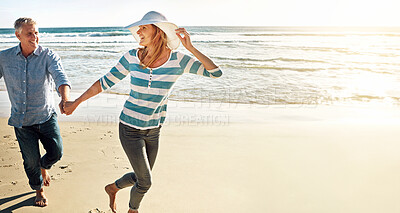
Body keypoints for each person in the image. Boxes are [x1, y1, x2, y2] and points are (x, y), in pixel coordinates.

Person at [63, 11, 222, 213]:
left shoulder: (178, 61)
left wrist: (190, 48)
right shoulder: (132, 57)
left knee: (141, 178)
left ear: (158, 31)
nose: (138, 31)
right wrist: (76, 102)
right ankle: (133, 210)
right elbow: (104, 82)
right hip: (129, 128)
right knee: (145, 182)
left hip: (154, 129)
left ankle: (112, 188)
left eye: (143, 27)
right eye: (139, 28)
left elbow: (215, 73)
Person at [0, 17, 71, 207]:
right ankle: (39, 190)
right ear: (18, 35)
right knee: (30, 161)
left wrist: (64, 99)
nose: (34, 37)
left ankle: (44, 166)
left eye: (36, 32)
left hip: (46, 117)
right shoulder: (4, 58)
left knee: (56, 153)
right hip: (22, 122)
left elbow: (61, 78)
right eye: (29, 33)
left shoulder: (48, 55)